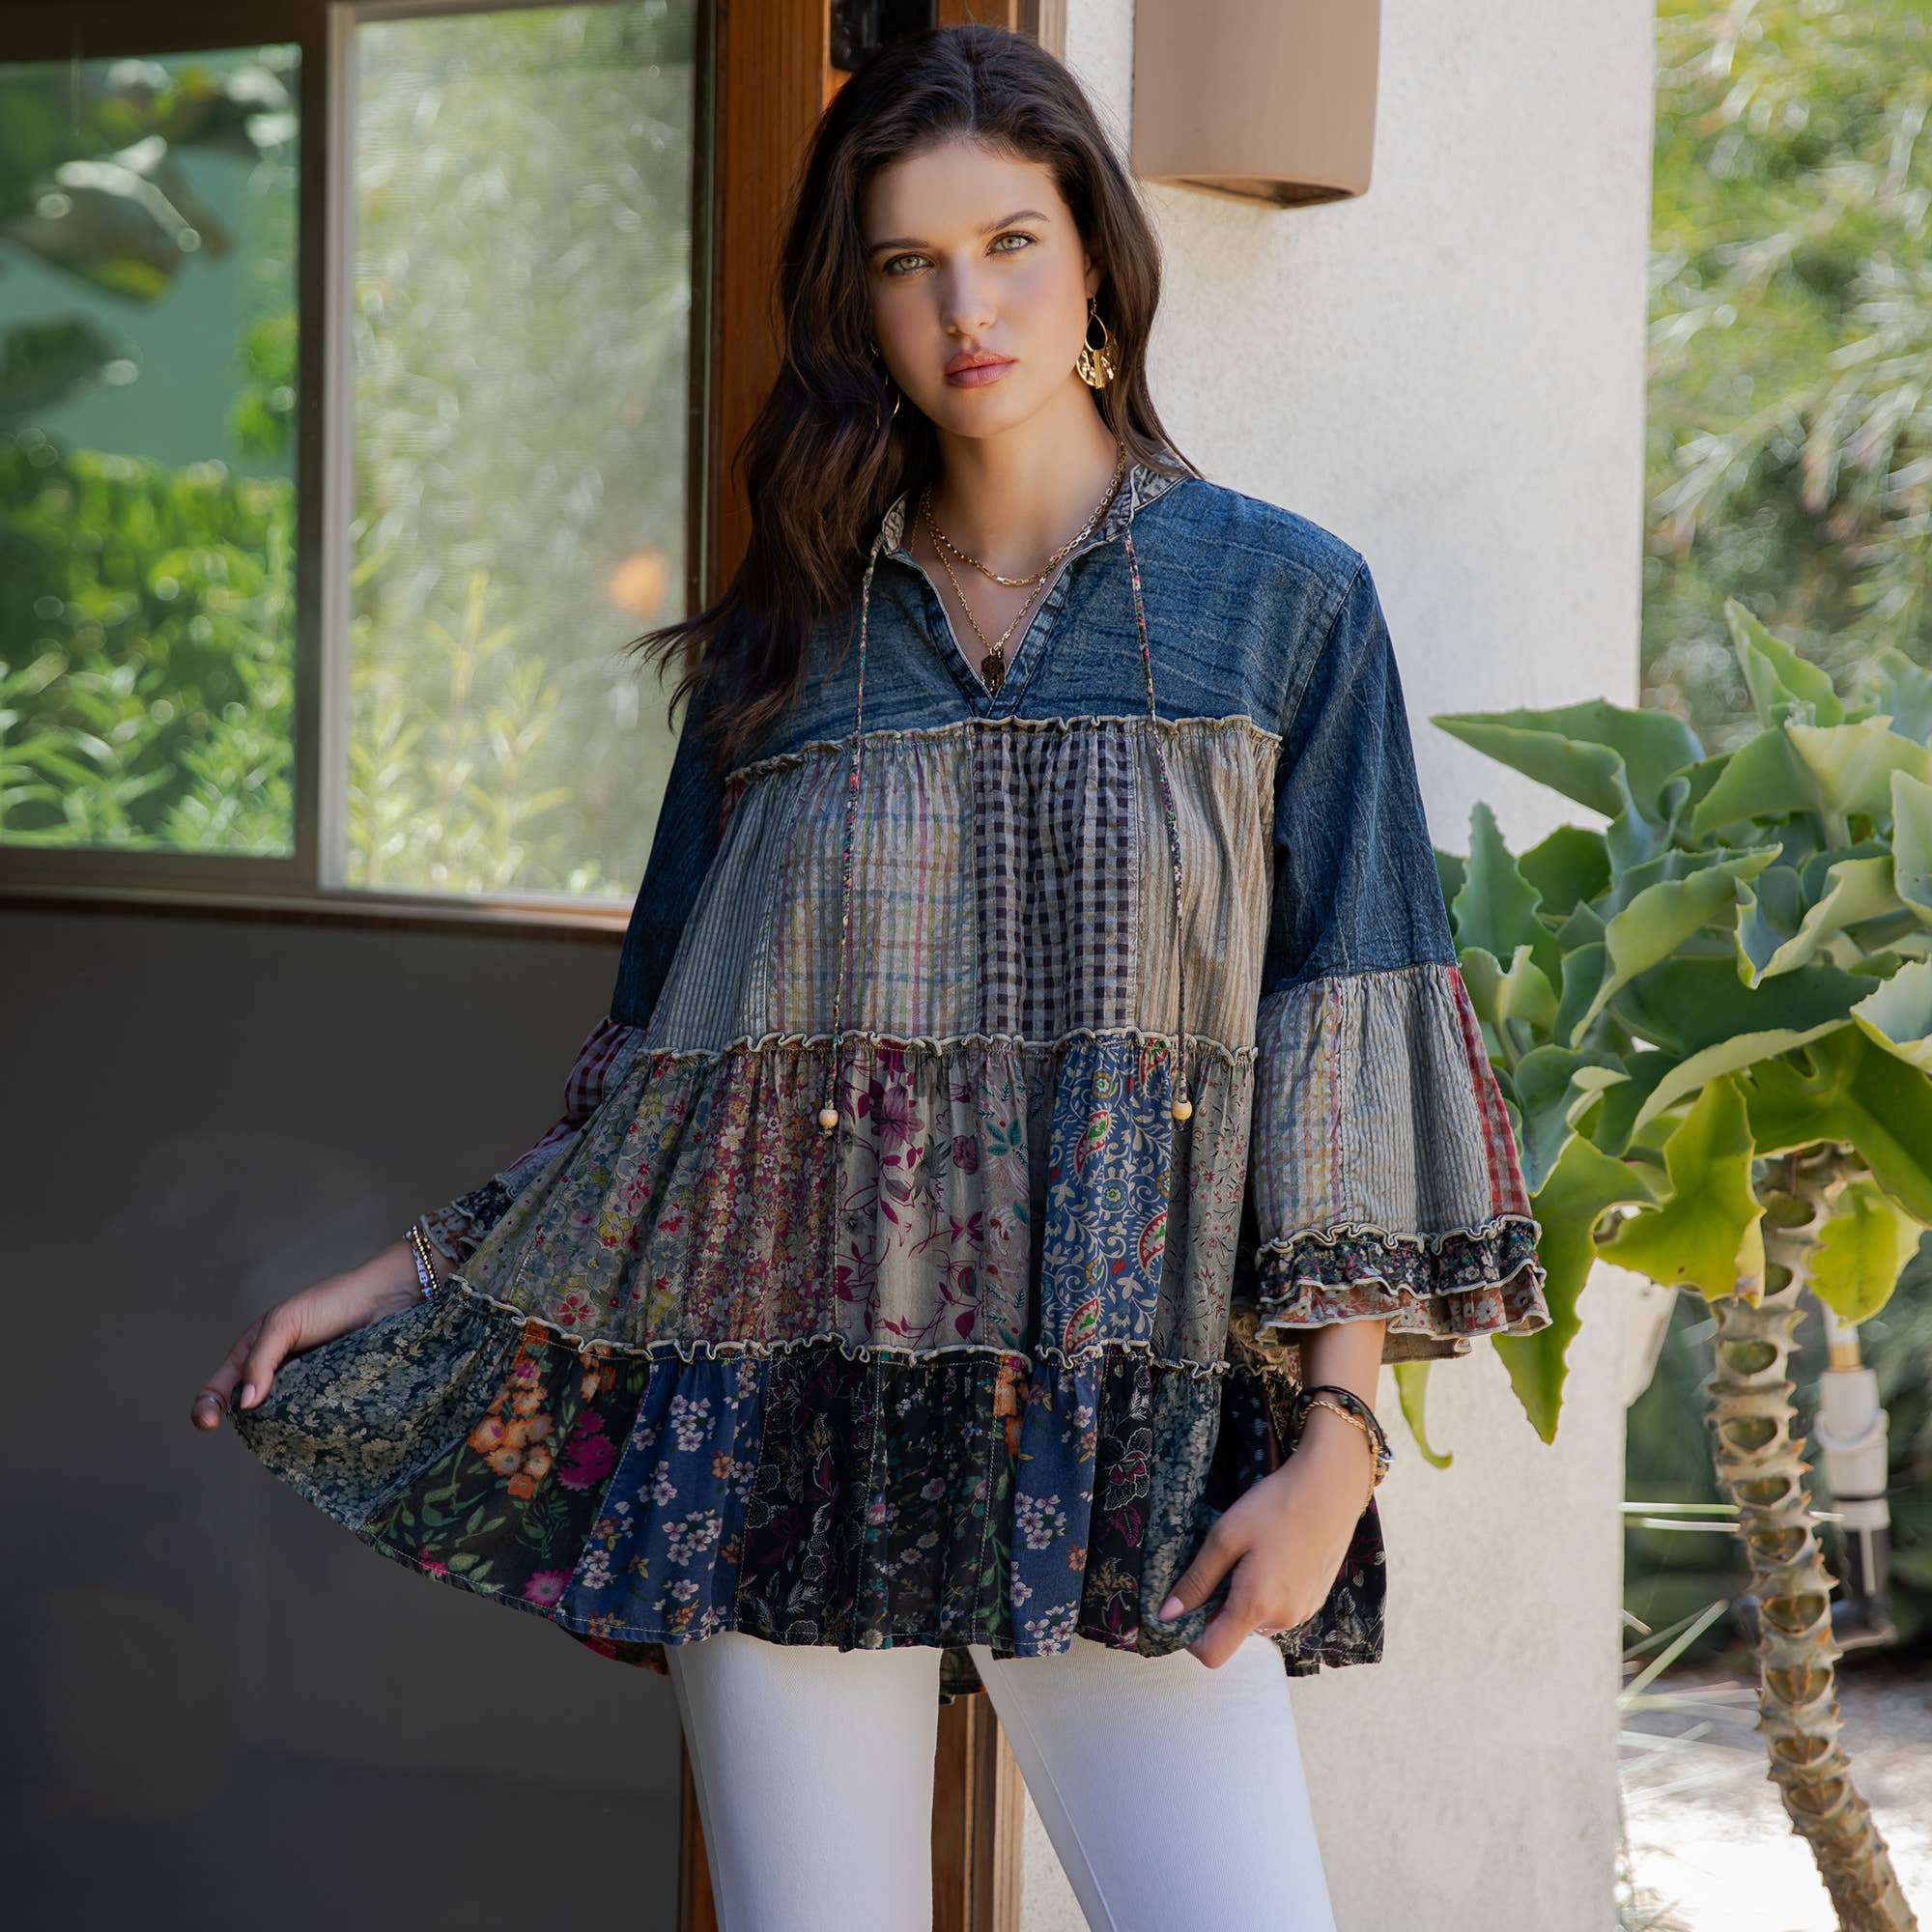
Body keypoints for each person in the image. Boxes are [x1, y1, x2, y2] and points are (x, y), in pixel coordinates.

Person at [190, 22, 1550, 1929]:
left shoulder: (1283, 603)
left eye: (1009, 243)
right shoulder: (787, 642)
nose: (965, 308)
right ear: (861, 305)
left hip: (1125, 1428)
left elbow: (1343, 1021)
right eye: (909, 264)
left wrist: (1336, 1440)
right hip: (782, 1432)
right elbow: (662, 1089)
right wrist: (424, 1271)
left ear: (1095, 260)